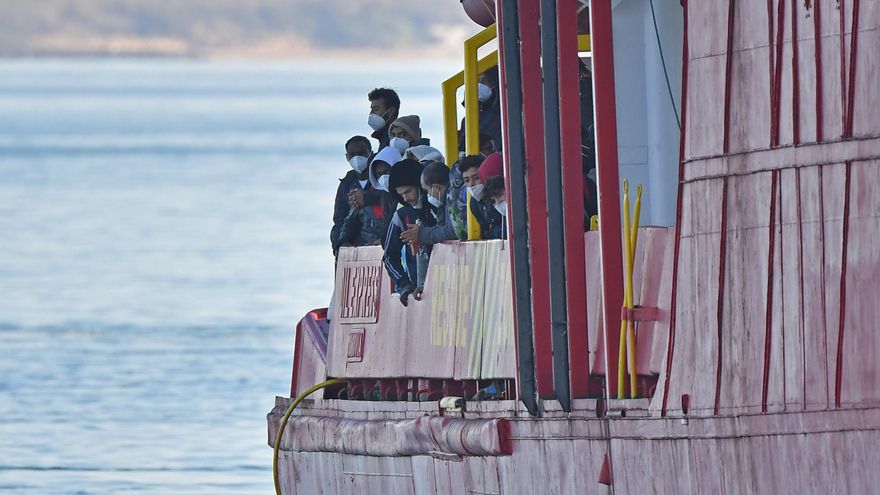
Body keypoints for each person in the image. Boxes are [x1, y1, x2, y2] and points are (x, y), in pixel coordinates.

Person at [382, 159, 434, 306]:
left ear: (420, 185)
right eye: (401, 194)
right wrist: (404, 283)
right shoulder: (401, 216)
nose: (406, 198)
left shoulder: (436, 207)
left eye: (408, 191)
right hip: (418, 293)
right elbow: (389, 256)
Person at [331, 136, 375, 255]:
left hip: (376, 244)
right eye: (353, 154)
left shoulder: (379, 178)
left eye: (362, 153)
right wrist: (338, 245)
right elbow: (339, 218)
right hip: (354, 249)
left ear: (370, 153)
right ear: (347, 157)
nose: (357, 157)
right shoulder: (346, 184)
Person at [457, 67, 503, 156]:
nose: (480, 85)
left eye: (485, 80)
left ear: (494, 84)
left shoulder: (503, 114)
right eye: (477, 81)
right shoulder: (466, 120)